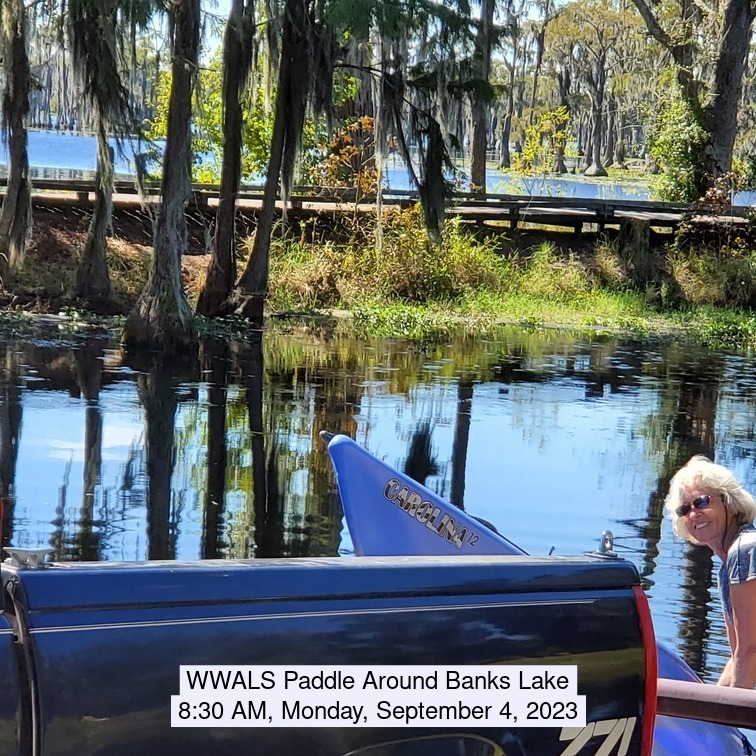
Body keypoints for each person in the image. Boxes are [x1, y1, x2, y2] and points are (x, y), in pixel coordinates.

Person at [665, 455, 756, 688]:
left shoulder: (745, 550)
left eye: (702, 502)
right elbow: (737, 654)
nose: (693, 513)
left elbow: (751, 649)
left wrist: (729, 718)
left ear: (728, 501)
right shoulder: (726, 570)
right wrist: (708, 716)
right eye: (685, 509)